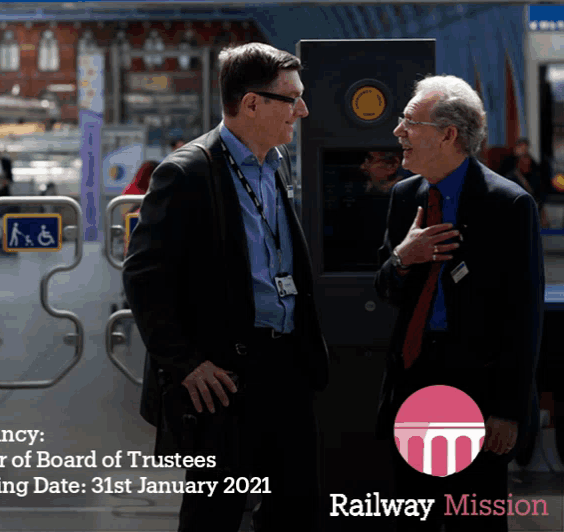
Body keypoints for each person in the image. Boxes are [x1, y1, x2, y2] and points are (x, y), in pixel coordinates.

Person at [122, 42, 328, 532]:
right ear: (252, 103)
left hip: (286, 368)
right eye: (292, 97)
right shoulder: (187, 171)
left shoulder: (274, 164)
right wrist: (185, 363)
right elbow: (144, 276)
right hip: (223, 377)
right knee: (214, 514)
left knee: (293, 506)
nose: (303, 109)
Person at [374, 75, 544, 531]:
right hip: (413, 383)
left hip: (478, 393)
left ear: (448, 134)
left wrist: (507, 410)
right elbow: (386, 288)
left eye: (409, 121)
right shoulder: (403, 197)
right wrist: (402, 258)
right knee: (414, 517)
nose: (397, 133)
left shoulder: (508, 205)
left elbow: (522, 316)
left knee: (475, 520)